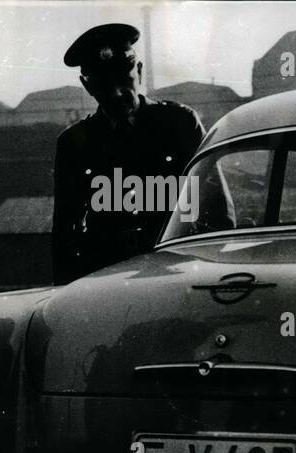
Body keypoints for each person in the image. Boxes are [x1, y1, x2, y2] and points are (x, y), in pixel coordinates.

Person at [51, 23, 205, 285]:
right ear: (87, 87)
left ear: (141, 71)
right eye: (103, 84)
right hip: (108, 281)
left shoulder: (180, 124)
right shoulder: (73, 144)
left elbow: (214, 207)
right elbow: (64, 233)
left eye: (124, 78)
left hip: (176, 275)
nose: (116, 92)